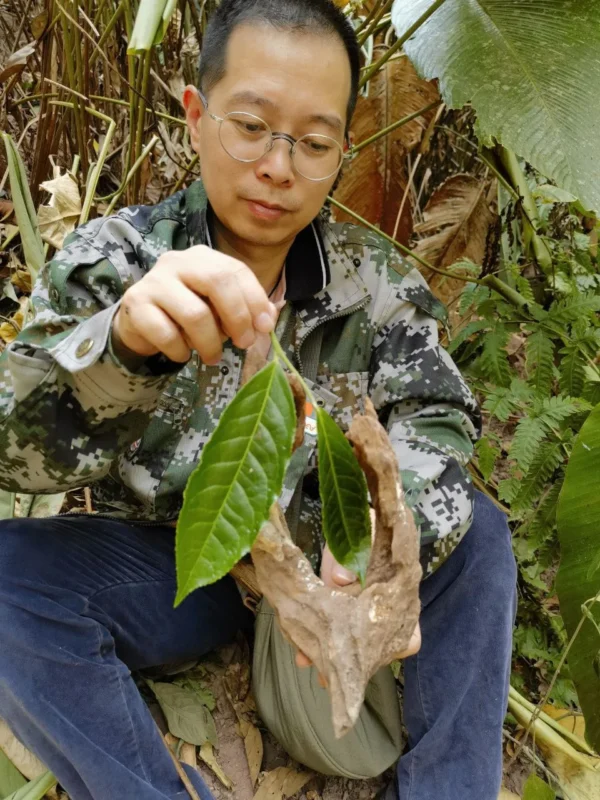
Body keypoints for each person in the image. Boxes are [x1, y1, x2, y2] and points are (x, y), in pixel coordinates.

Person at [0, 1, 517, 798]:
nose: (278, 166)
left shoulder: (374, 284)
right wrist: (123, 345)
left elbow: (438, 416)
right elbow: (14, 445)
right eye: (251, 127)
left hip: (325, 556)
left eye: (312, 143)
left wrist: (380, 533)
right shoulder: (119, 260)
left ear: (341, 151)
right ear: (197, 116)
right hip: (177, 565)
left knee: (480, 536)